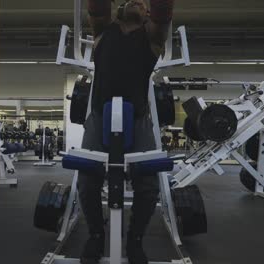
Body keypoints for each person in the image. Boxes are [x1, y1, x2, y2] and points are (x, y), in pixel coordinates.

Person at [78, 0, 175, 263]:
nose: (135, 2)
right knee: (86, 182)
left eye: (142, 3)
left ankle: (135, 240)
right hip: (98, 117)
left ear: (147, 14)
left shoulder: (152, 37)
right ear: (117, 11)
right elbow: (97, 8)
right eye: (128, 1)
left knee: (148, 186)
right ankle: (96, 236)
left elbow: (163, 13)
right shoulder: (102, 32)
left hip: (139, 119)